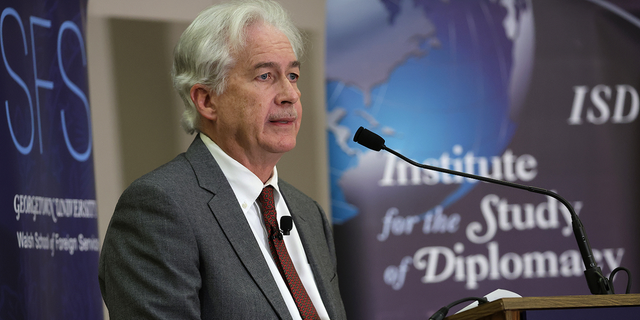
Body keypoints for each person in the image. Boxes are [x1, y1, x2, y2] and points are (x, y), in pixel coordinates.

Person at [98, 1, 347, 319]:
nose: (290, 94)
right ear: (206, 100)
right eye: (265, 76)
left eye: (293, 75)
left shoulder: (308, 215)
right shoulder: (161, 208)